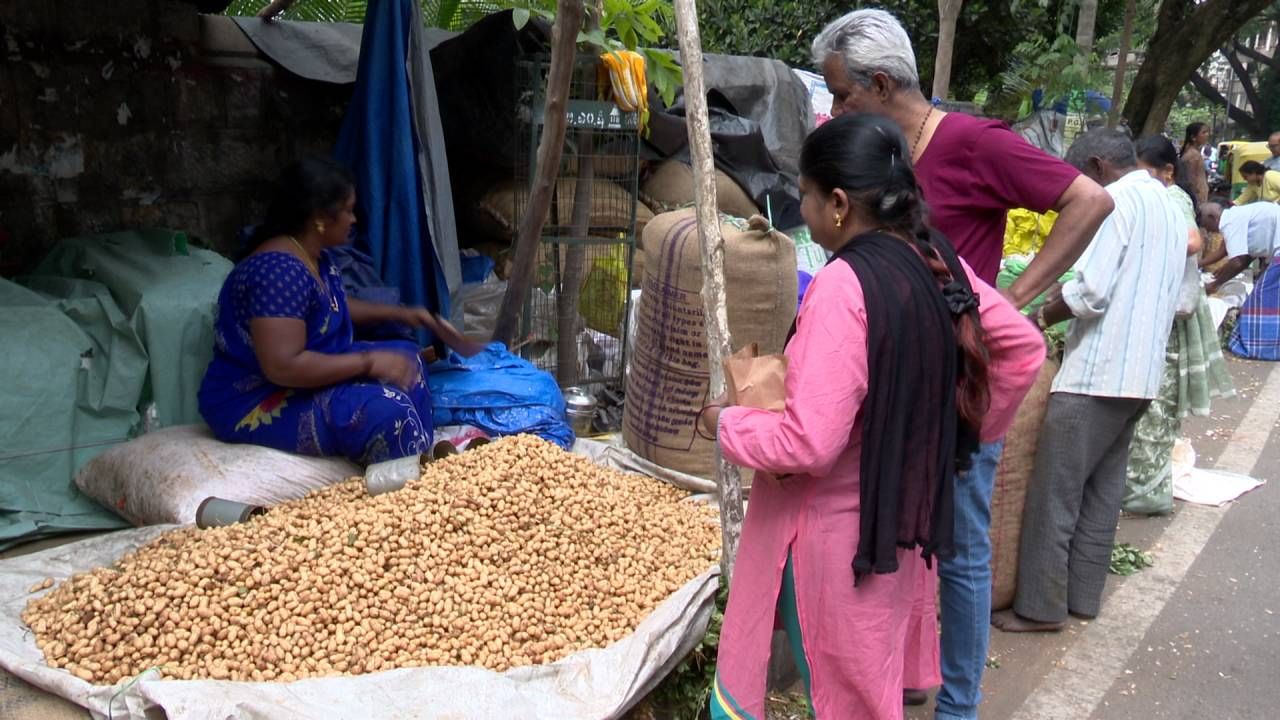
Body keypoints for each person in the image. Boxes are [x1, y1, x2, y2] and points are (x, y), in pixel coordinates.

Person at [809, 9, 1114, 719]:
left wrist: (1010, 299)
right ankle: (908, 673)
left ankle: (958, 704)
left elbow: (1088, 199)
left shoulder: (973, 143)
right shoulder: (873, 147)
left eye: (843, 94)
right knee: (896, 529)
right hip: (889, 384)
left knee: (963, 544)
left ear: (881, 82)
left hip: (957, 386)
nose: (833, 109)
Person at [700, 113, 1045, 720]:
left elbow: (809, 443)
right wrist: (956, 439)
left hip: (834, 546)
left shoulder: (843, 284)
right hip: (897, 529)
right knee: (867, 687)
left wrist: (722, 422)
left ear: (836, 203)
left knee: (842, 696)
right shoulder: (935, 260)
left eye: (804, 197)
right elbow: (1021, 348)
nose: (801, 212)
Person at [992, 129, 1185, 633]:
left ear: (1097, 167)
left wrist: (1037, 316)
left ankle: (1040, 608)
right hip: (1140, 374)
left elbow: (1091, 293)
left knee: (1054, 493)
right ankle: (1082, 597)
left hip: (1096, 373)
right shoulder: (1167, 202)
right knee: (1102, 492)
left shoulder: (1111, 201)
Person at [199, 157, 453, 465]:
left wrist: (401, 315)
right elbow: (283, 366)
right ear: (319, 217)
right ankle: (402, 482)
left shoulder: (313, 255)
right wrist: (368, 362)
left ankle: (415, 461)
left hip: (307, 373)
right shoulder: (278, 272)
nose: (353, 219)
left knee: (407, 357)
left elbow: (331, 307)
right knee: (387, 412)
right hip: (262, 396)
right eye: (347, 210)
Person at [1121, 137, 1234, 515]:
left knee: (1156, 407)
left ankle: (1146, 493)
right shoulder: (1163, 197)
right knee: (1150, 406)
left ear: (1167, 172)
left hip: (1171, 316)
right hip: (1164, 312)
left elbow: (1190, 242)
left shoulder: (1171, 199)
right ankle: (1140, 487)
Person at [1201, 201, 1280, 360]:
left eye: (1205, 225)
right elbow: (1234, 254)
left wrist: (1214, 285)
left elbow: (1238, 262)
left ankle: (1260, 346)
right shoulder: (1237, 215)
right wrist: (1201, 265)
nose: (1208, 231)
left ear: (1212, 217)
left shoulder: (1230, 222)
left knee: (1260, 300)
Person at [1180, 122, 1211, 203]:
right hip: (1197, 198)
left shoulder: (1195, 153)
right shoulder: (1193, 155)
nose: (1207, 135)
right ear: (1193, 137)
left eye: (1207, 132)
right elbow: (1191, 181)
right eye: (1204, 132)